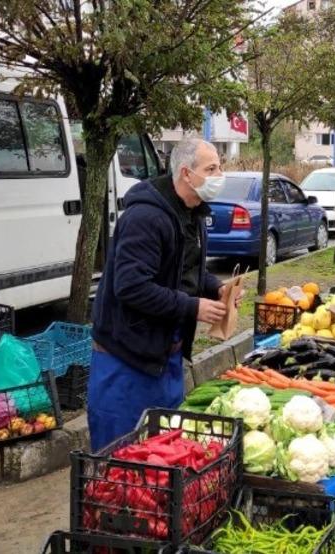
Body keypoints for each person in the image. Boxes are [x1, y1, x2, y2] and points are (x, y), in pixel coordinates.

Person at [89, 138, 239, 451]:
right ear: (186, 173)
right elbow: (131, 286)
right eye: (211, 169)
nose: (219, 175)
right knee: (120, 459)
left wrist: (215, 287)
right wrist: (192, 307)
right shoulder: (146, 218)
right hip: (126, 361)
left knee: (161, 457)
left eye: (220, 167)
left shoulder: (192, 213)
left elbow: (185, 270)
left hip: (165, 358)